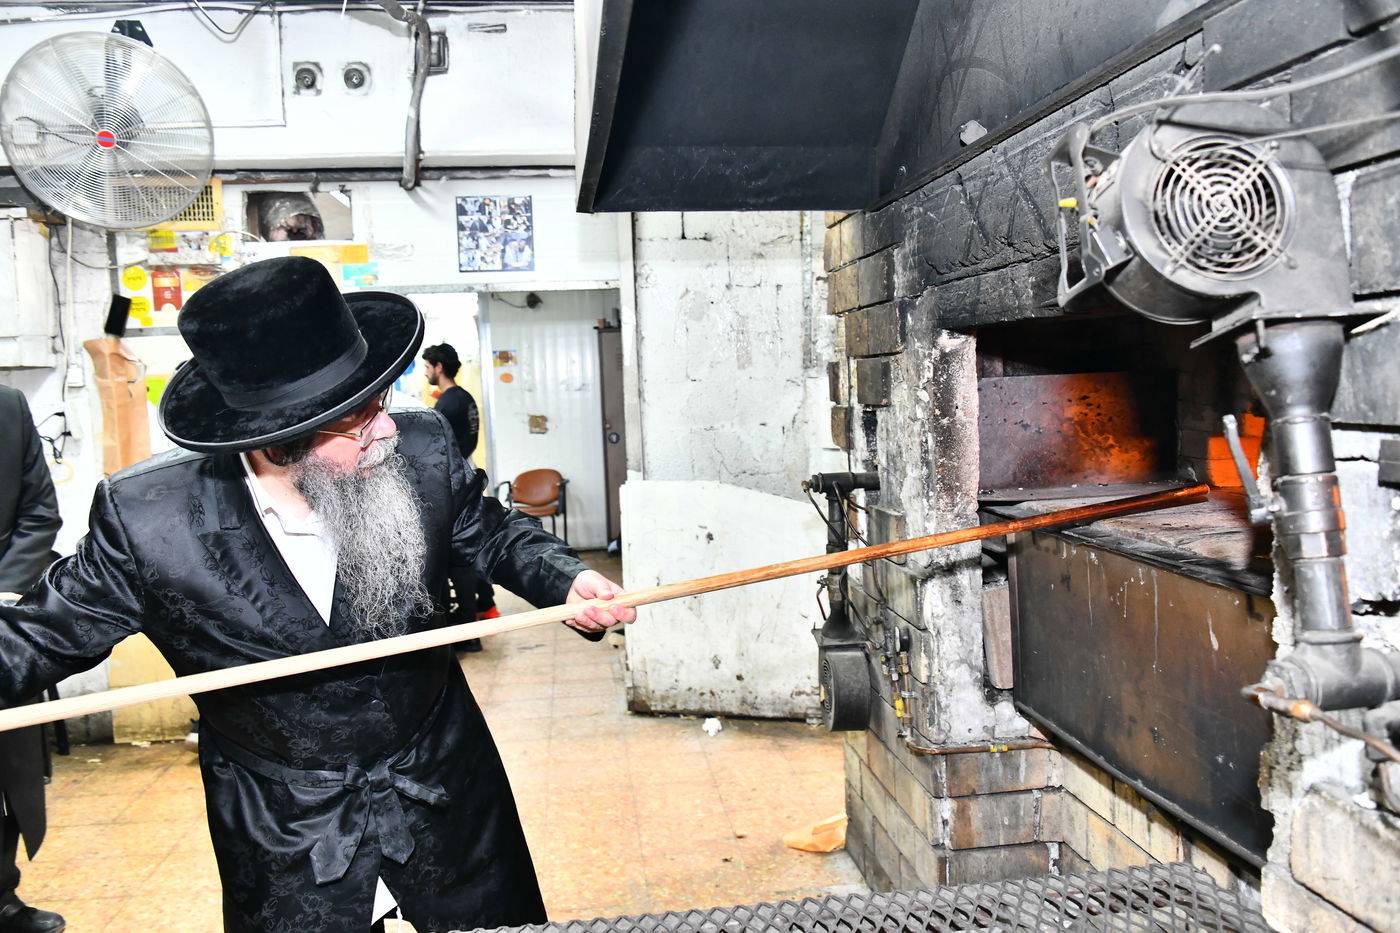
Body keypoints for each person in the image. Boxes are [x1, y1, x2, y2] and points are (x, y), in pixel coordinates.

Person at [0, 256, 634, 933]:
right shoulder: (151, 521)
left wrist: (565, 576)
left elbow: (497, 534)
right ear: (277, 441)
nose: (386, 428)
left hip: (444, 788)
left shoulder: (420, 449)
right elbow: (37, 636)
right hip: (285, 827)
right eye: (357, 418)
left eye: (379, 400)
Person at [0, 387, 65, 933]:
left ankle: (2, 896)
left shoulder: (7, 406)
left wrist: (2, 594)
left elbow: (40, 512)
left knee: (7, 776)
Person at [421, 343, 492, 653]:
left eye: (427, 366)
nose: (425, 372)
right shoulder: (465, 399)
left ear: (439, 367)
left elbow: (440, 451)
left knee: (458, 558)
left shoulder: (447, 404)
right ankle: (471, 622)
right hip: (467, 473)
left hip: (455, 483)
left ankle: (466, 629)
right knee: (465, 554)